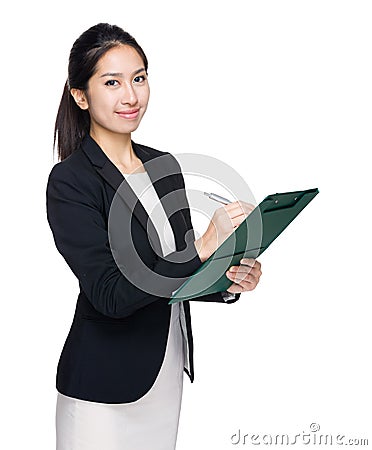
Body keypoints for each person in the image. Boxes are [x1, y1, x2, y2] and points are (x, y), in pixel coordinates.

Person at [46, 22, 262, 450]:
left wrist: (227, 279)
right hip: (102, 394)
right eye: (112, 82)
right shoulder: (70, 182)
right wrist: (202, 246)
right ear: (80, 96)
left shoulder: (164, 167)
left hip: (164, 376)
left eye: (139, 78)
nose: (131, 96)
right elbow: (109, 293)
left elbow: (174, 274)